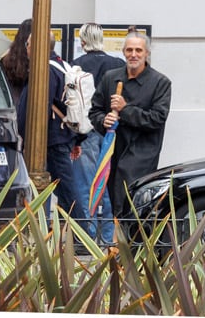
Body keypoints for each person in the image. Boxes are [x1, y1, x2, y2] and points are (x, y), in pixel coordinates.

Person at [87, 30, 172, 232]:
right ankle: (119, 243)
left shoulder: (160, 82)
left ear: (147, 53)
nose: (134, 55)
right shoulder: (110, 78)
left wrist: (125, 110)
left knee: (133, 205)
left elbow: (157, 119)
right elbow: (94, 111)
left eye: (138, 50)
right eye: (129, 50)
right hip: (114, 151)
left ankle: (133, 244)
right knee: (115, 203)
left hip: (142, 154)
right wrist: (104, 120)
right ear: (123, 52)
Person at [0, 22, 82, 222]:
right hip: (61, 137)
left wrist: (23, 137)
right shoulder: (62, 66)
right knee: (62, 190)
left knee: (66, 192)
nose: (27, 48)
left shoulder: (44, 71)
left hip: (51, 140)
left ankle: (81, 232)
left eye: (29, 44)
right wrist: (76, 139)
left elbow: (37, 107)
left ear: (38, 47)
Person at [71, 25, 123, 245]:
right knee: (108, 182)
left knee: (86, 185)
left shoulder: (77, 65)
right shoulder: (118, 64)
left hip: (87, 131)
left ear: (83, 41)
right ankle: (109, 236)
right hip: (112, 130)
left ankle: (88, 234)